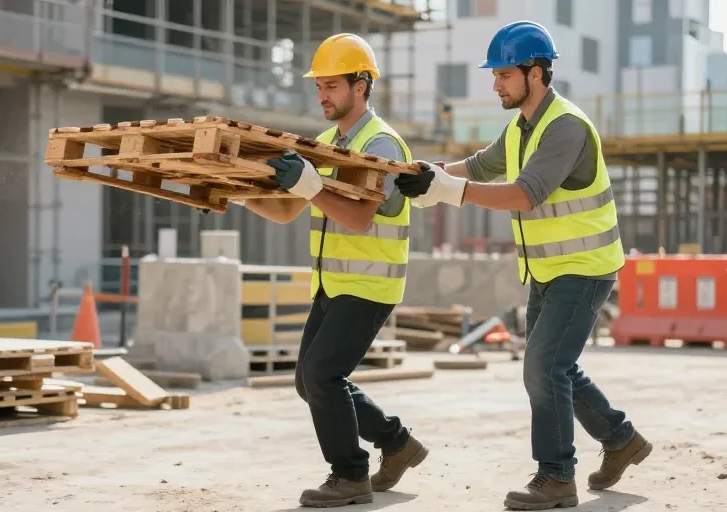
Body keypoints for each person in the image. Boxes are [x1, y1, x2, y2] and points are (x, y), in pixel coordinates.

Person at [394, 20, 652, 510]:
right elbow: (481, 165)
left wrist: (450, 193)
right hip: (547, 271)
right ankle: (621, 440)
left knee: (542, 366)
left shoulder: (566, 126)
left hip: (584, 267)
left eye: (504, 75)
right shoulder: (522, 127)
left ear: (536, 73)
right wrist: (427, 175)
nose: (495, 84)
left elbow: (525, 194)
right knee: (556, 367)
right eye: (495, 75)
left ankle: (556, 477)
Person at [235, 33, 428, 508]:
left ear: (361, 86)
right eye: (318, 86)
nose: (322, 95)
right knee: (309, 381)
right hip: (333, 282)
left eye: (332, 86)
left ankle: (349, 476)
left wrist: (312, 184)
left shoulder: (381, 143)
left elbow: (361, 216)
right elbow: (285, 210)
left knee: (321, 375)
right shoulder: (324, 143)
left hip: (370, 283)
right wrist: (232, 194)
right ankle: (398, 444)